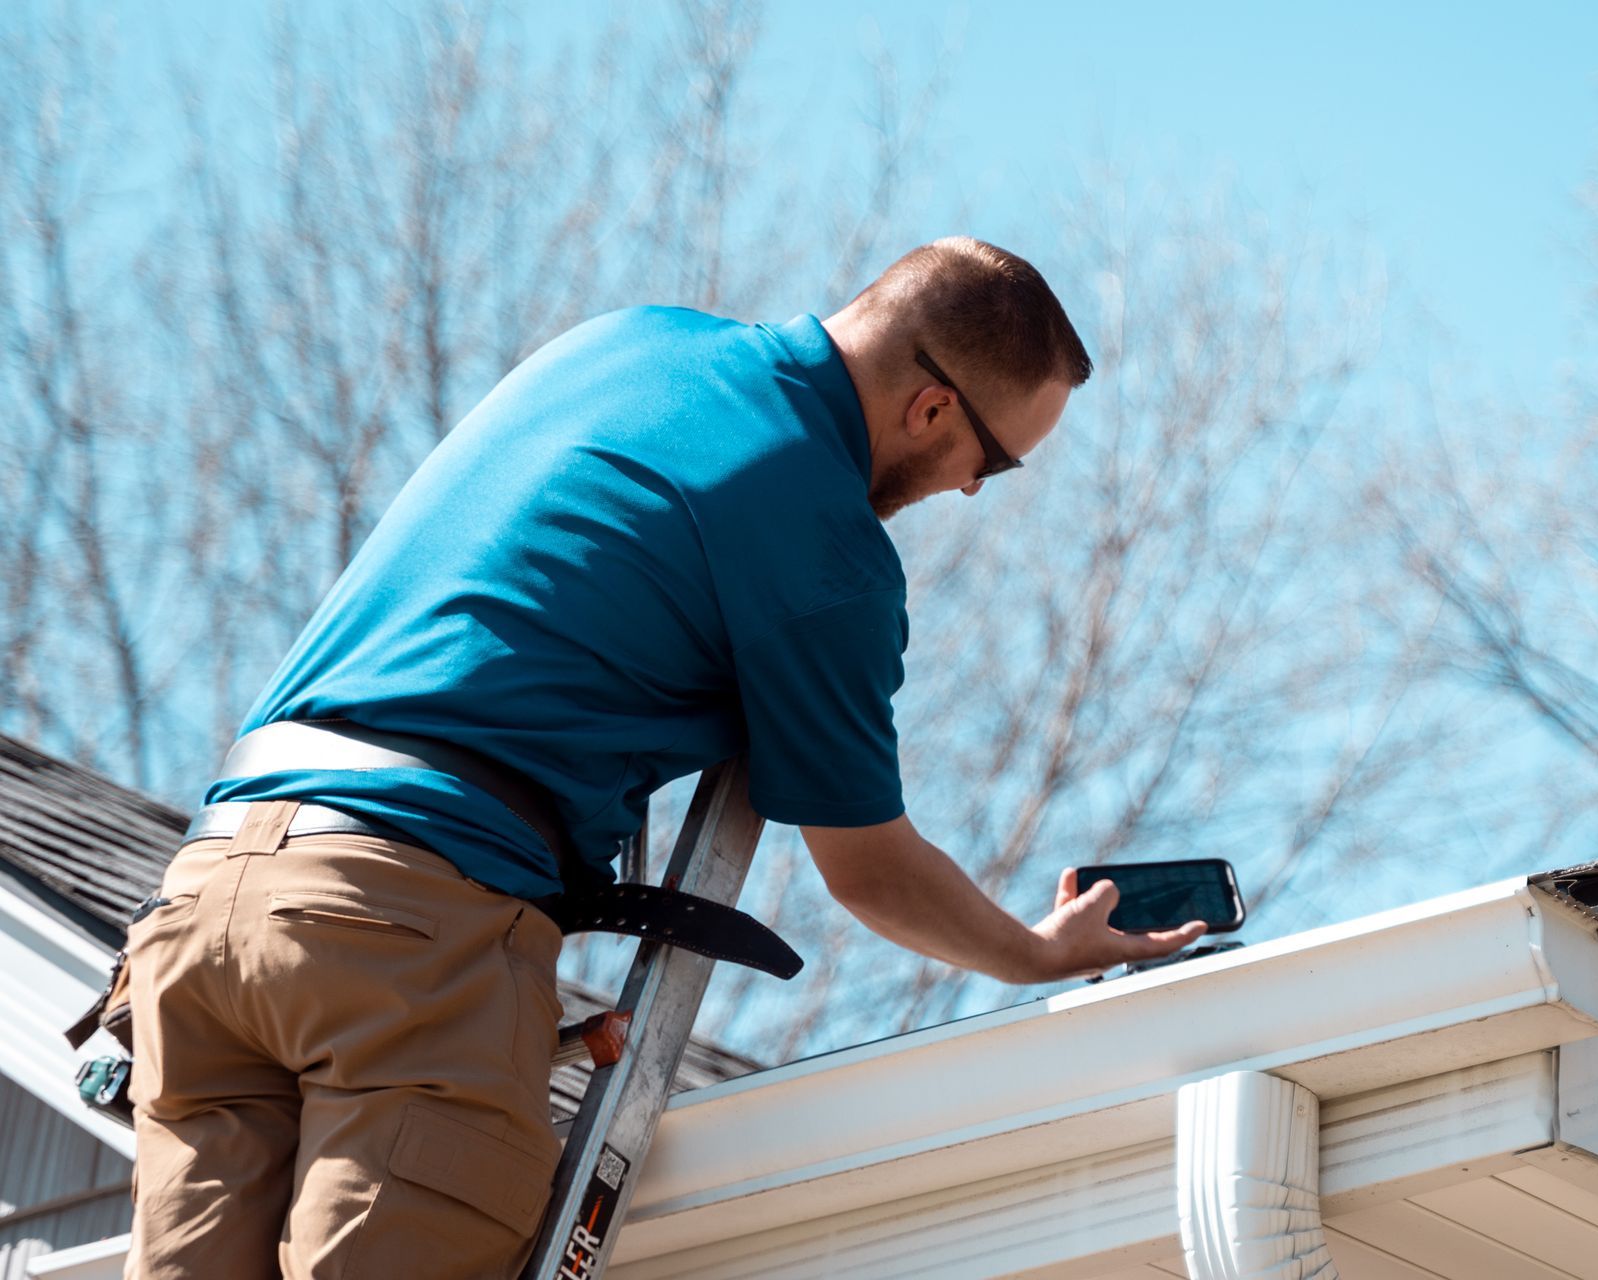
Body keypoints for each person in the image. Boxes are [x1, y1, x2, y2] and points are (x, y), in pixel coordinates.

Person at [124, 237, 1205, 1279]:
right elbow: (869, 866)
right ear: (932, 408)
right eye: (996, 462)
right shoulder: (825, 542)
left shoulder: (628, 342)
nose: (973, 488)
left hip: (207, 901)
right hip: (402, 924)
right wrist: (1038, 952)